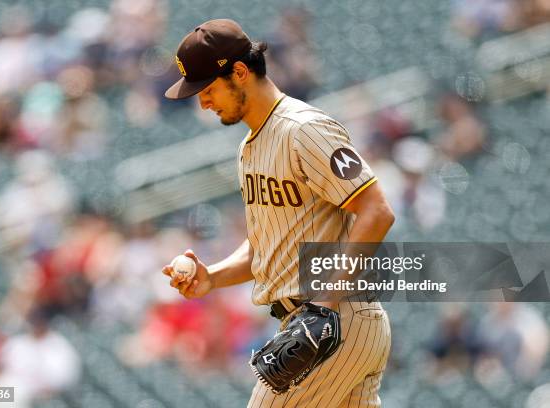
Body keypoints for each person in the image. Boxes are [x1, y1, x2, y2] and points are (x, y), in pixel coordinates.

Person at [162, 19, 394, 407]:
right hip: (321, 322)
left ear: (239, 71)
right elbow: (265, 246)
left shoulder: (304, 129)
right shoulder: (250, 146)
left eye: (208, 88)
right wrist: (212, 277)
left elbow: (377, 210)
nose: (202, 101)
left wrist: (324, 304)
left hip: (333, 321)